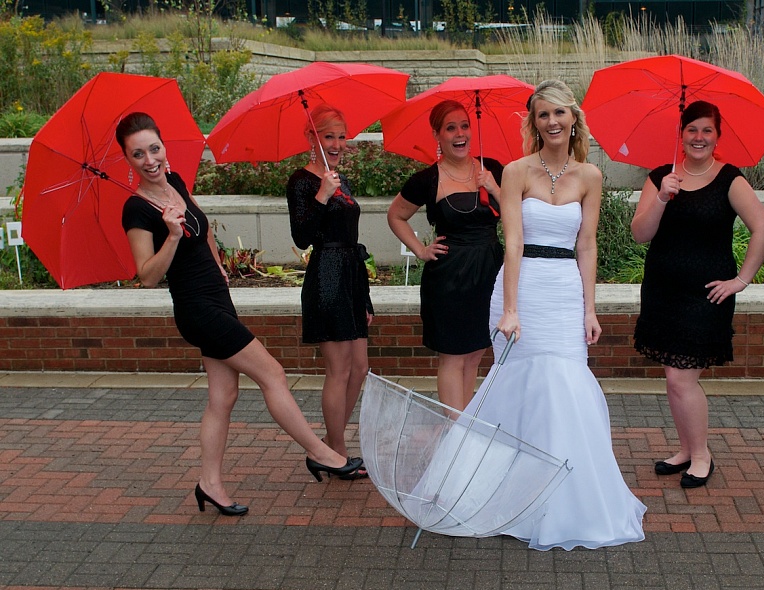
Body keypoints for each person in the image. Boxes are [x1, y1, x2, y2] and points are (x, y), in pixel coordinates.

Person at [117, 112, 366, 518]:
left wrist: (217, 262)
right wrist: (174, 237)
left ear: (164, 147)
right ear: (127, 159)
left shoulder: (176, 182)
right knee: (273, 374)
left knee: (223, 397)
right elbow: (147, 276)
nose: (150, 159)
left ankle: (209, 484)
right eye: (138, 153)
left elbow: (206, 228)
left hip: (217, 300)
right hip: (196, 309)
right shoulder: (137, 210)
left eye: (154, 148)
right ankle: (323, 453)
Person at [467, 79, 646, 550]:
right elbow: (512, 242)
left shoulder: (590, 175)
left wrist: (591, 307)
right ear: (534, 121)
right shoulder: (514, 171)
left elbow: (586, 245)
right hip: (521, 289)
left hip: (565, 291)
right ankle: (508, 493)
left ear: (573, 118)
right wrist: (509, 308)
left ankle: (568, 500)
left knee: (566, 388)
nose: (552, 122)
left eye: (559, 113)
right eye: (543, 114)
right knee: (522, 390)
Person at [630, 100, 764, 489]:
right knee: (673, 377)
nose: (699, 137)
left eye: (707, 130)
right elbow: (640, 233)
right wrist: (662, 196)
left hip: (706, 297)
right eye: (692, 129)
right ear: (681, 134)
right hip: (663, 292)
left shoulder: (729, 179)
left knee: (681, 378)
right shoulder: (661, 176)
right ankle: (687, 448)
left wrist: (740, 280)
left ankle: (702, 455)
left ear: (717, 136)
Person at [387, 100, 504, 412]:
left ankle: (465, 427)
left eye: (464, 126)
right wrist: (420, 250)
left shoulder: (491, 168)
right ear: (437, 135)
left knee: (476, 353)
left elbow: (515, 215)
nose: (460, 133)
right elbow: (396, 216)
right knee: (453, 356)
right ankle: (455, 435)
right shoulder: (428, 179)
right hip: (450, 278)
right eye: (451, 128)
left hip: (489, 272)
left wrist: (493, 187)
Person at [287, 104, 372, 474]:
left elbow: (351, 235)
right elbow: (303, 237)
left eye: (341, 135)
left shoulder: (338, 177)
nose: (337, 143)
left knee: (361, 367)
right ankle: (336, 450)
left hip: (351, 278)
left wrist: (364, 295)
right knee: (339, 370)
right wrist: (322, 194)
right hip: (327, 277)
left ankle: (330, 444)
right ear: (311, 138)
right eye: (328, 136)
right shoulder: (302, 181)